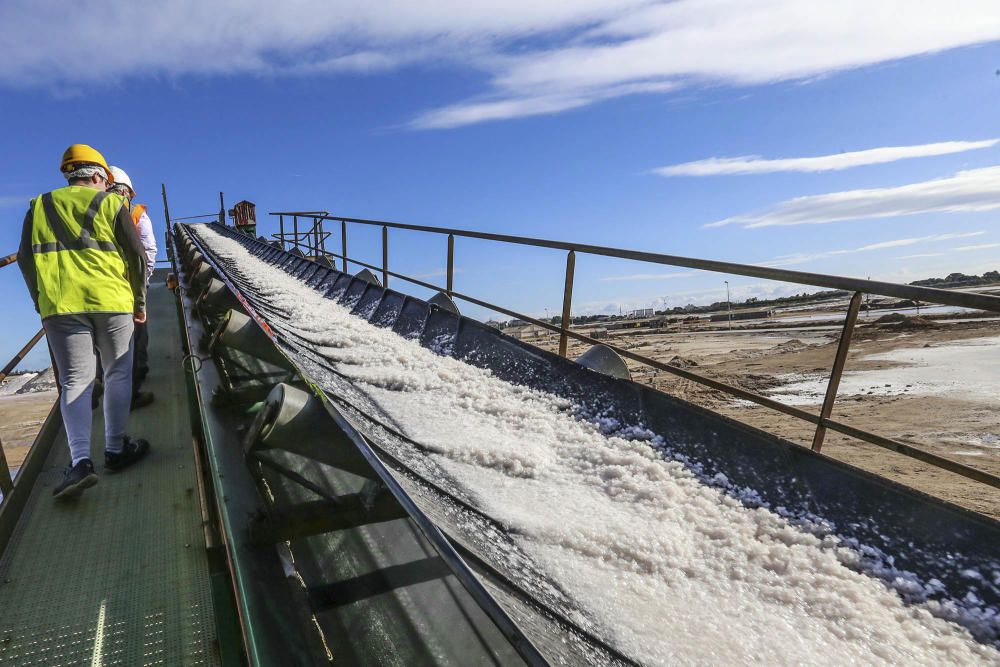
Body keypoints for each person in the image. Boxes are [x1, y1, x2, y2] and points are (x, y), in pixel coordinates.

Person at [18, 144, 151, 499]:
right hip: (111, 300)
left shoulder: (40, 206)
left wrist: (39, 301)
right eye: (105, 181)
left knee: (76, 380)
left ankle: (79, 462)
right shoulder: (111, 204)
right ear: (96, 175)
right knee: (116, 371)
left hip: (59, 306)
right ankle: (116, 448)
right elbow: (136, 256)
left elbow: (25, 260)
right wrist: (139, 302)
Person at [108, 166, 155, 409]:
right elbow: (147, 250)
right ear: (127, 191)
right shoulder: (135, 213)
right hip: (129, 285)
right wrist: (144, 282)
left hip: (102, 287)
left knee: (106, 345)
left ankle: (105, 389)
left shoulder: (93, 210)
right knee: (136, 337)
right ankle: (133, 390)